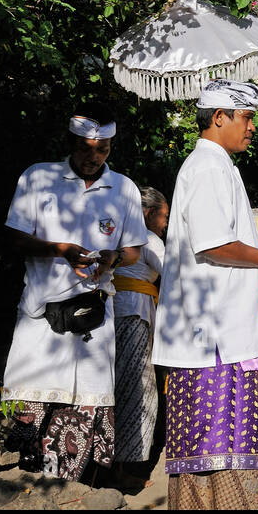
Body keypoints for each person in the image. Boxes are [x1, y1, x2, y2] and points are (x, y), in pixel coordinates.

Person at [152, 79, 258, 510]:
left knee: (230, 441)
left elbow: (225, 238)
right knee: (218, 443)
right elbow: (213, 244)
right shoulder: (206, 168)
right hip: (212, 339)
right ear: (219, 118)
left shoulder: (220, 167)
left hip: (224, 333)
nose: (252, 126)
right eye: (247, 117)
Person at [2, 103, 146, 481]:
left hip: (93, 320)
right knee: (34, 406)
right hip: (41, 317)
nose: (93, 157)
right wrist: (58, 249)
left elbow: (135, 249)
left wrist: (114, 258)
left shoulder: (124, 189)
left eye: (102, 149)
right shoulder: (37, 178)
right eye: (85, 148)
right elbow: (14, 237)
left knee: (83, 409)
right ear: (69, 142)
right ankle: (32, 489)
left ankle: (70, 492)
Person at [110, 186, 168, 486]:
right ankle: (127, 468)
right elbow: (172, 273)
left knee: (114, 386)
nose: (165, 224)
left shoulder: (112, 232)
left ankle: (110, 465)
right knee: (138, 391)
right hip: (133, 315)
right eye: (163, 216)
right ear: (148, 213)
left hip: (111, 312)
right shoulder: (147, 239)